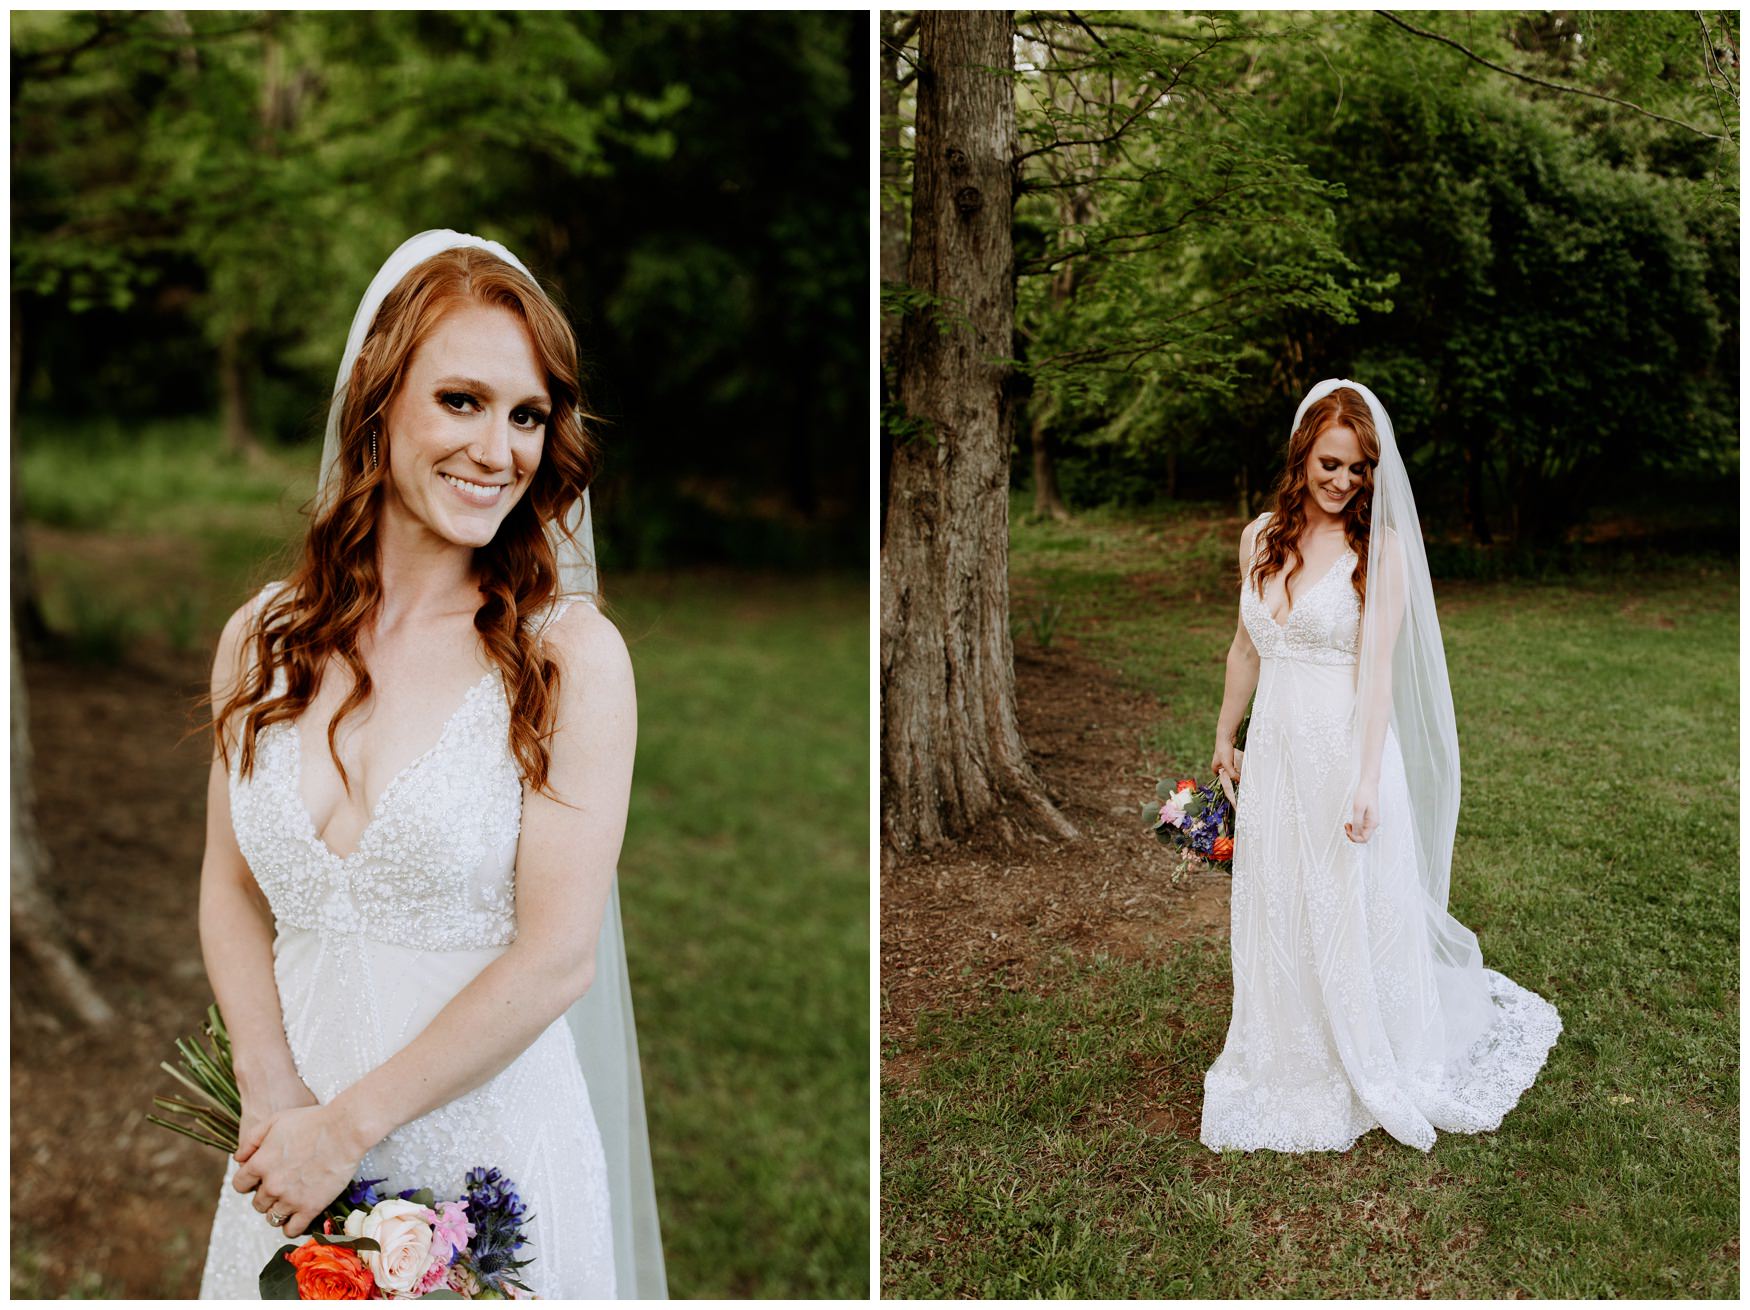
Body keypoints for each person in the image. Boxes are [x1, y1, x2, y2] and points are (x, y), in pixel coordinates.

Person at [196, 231, 665, 1296]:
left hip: (486, 1160)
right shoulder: (260, 638)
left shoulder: (566, 657)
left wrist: (348, 1127)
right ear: (378, 401)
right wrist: (274, 1096)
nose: (498, 450)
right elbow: (227, 886)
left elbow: (555, 958)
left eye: (527, 415)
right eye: (461, 400)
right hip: (287, 1146)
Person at [1202, 378, 1561, 1154]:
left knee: (1348, 899)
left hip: (1345, 747)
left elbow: (1377, 677)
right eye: (1330, 464)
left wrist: (1366, 779)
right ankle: (1287, 1043)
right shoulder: (1257, 536)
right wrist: (1227, 732)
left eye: (1358, 469)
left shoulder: (1381, 549)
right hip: (1278, 753)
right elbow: (1244, 645)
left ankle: (1366, 1044)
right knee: (1283, 896)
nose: (1342, 482)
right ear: (1302, 456)